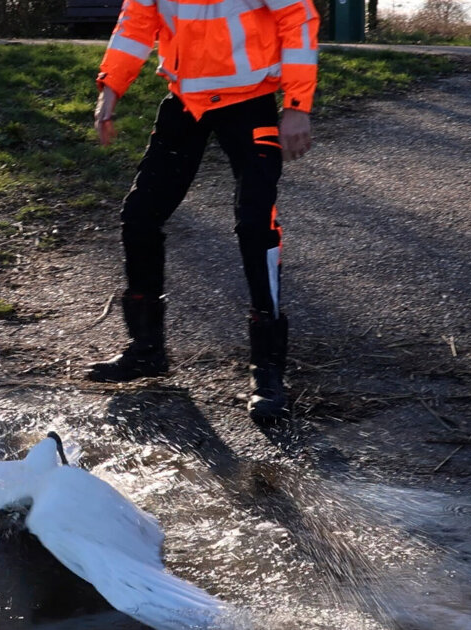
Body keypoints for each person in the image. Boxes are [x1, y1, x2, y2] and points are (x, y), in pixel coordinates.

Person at [85, 0, 319, 422]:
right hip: (185, 104)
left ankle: (267, 371)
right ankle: (146, 351)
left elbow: (298, 18)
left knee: (255, 224)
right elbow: (136, 25)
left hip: (251, 104)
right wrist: (110, 90)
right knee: (139, 216)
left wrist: (297, 104)